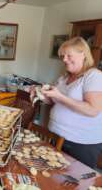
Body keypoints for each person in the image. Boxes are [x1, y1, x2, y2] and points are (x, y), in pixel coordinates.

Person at [38, 37, 102, 168]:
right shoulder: (64, 77)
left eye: (68, 55)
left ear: (83, 54)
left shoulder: (93, 75)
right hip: (57, 136)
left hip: (80, 143)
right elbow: (53, 101)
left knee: (75, 183)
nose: (64, 59)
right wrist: (40, 95)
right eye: (63, 56)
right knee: (54, 177)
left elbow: (93, 110)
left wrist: (60, 96)